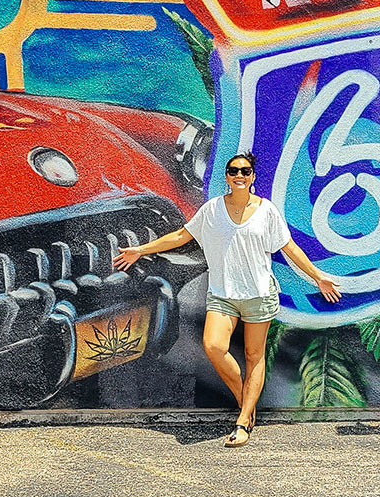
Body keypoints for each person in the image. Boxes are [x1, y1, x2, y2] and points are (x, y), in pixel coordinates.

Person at [115, 151, 340, 446]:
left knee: (253, 356)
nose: (239, 176)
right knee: (214, 346)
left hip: (259, 295)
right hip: (223, 295)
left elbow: (290, 248)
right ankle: (245, 402)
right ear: (226, 176)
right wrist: (141, 250)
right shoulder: (212, 210)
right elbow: (181, 237)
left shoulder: (266, 211)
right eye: (233, 171)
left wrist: (317, 277)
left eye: (245, 171)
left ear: (253, 177)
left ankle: (243, 419)